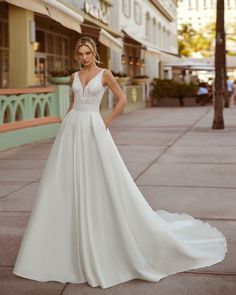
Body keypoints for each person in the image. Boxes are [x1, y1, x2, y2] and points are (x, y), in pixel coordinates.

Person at [12, 36, 227, 289]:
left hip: (94, 127)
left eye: (88, 53)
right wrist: (64, 128)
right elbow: (72, 104)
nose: (84, 58)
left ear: (94, 53)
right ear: (76, 55)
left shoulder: (105, 74)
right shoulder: (73, 76)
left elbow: (121, 100)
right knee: (64, 182)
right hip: (72, 130)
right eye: (80, 54)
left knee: (101, 180)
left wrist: (105, 121)